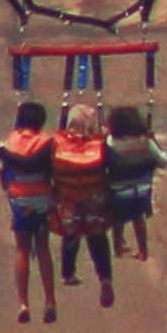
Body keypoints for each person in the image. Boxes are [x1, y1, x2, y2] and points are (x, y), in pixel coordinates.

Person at [47, 101, 123, 300]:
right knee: (97, 238)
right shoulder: (100, 144)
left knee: (70, 236)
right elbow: (114, 163)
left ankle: (68, 272)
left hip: (68, 198)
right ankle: (105, 278)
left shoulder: (57, 142)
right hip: (94, 198)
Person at [0, 101, 62, 323]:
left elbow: (3, 173)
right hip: (42, 200)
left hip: (20, 201)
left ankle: (23, 303)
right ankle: (50, 301)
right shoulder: (46, 142)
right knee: (42, 248)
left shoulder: (10, 143)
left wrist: (8, 187)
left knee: (22, 249)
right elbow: (55, 170)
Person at [104, 104, 167, 261]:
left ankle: (118, 247)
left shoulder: (111, 142)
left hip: (119, 191)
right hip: (142, 191)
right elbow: (163, 162)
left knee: (117, 219)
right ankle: (143, 251)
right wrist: (155, 141)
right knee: (138, 218)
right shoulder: (146, 143)